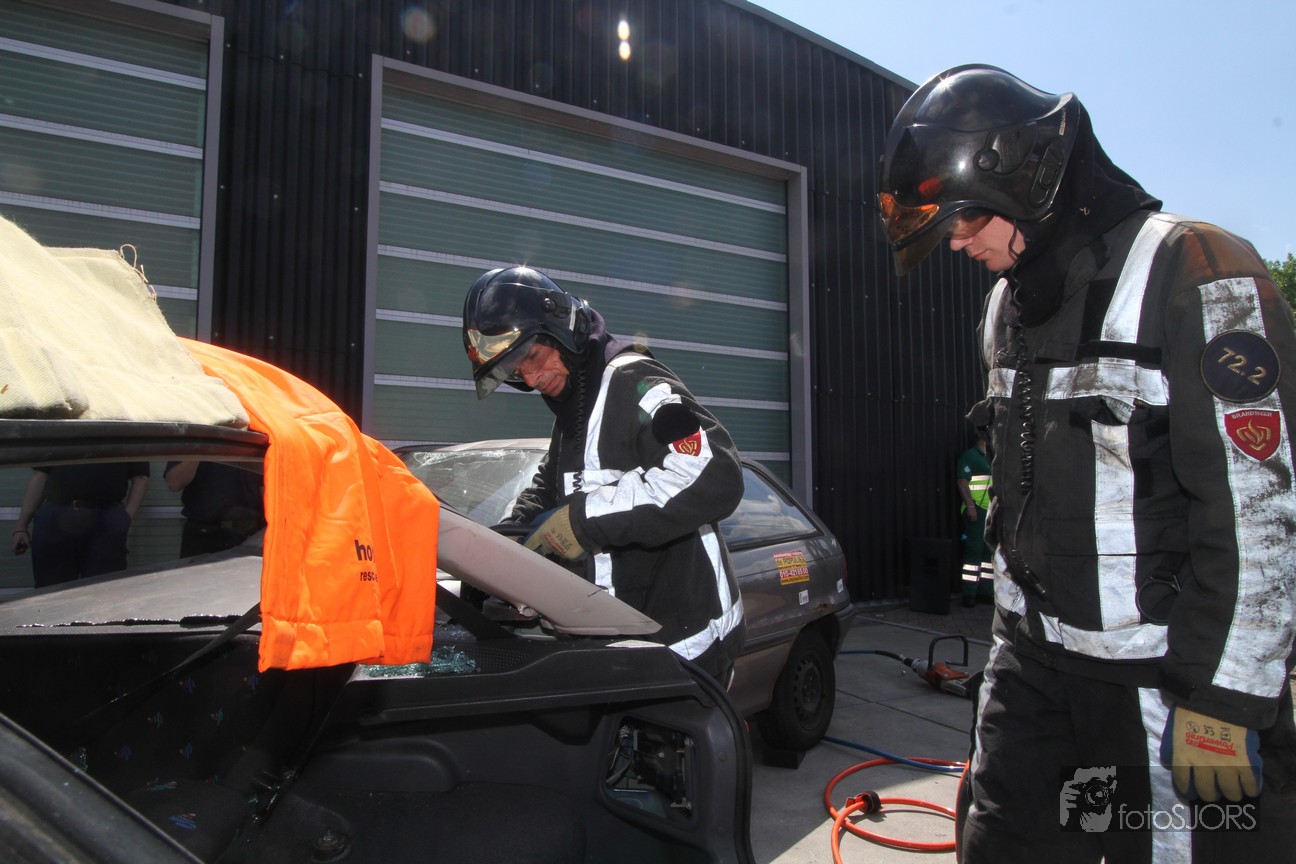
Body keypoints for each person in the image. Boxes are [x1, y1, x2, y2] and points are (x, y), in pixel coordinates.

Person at [878, 64, 1296, 862]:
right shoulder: (1004, 307)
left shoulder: (1202, 272)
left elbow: (1261, 510)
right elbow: (1018, 499)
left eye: (969, 218)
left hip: (1164, 685)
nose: (958, 242)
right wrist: (1005, 658)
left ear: (1029, 177)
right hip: (1033, 670)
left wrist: (1226, 696)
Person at [460, 265, 746, 682]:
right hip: (623, 647)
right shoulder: (574, 409)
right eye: (517, 373)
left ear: (561, 328)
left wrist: (583, 522)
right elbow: (548, 488)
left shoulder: (635, 382)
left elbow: (715, 473)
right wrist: (503, 545)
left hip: (684, 649)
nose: (532, 379)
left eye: (532, 358)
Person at [11, 462, 150, 587]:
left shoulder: (125, 441)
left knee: (104, 590)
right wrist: (21, 527)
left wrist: (124, 519)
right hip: (56, 516)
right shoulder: (54, 440)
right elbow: (41, 476)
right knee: (51, 589)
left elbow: (140, 478)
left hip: (104, 517)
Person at [164, 460, 265, 557]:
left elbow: (267, 488)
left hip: (246, 535)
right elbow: (174, 483)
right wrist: (199, 453)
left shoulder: (251, 448)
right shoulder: (193, 448)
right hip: (202, 535)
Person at [955, 430, 993, 607]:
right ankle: (969, 593)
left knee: (988, 551)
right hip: (976, 509)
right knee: (974, 550)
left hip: (990, 510)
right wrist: (970, 506)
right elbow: (962, 482)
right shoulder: (970, 456)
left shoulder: (992, 455)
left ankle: (986, 592)